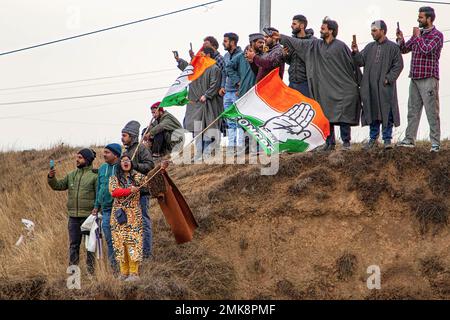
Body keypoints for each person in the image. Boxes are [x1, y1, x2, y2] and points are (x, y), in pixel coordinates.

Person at [274, 18, 362, 151]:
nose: (320, 31)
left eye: (323, 29)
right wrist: (281, 37)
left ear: (331, 31)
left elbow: (352, 65)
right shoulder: (316, 45)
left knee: (344, 115)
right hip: (325, 89)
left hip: (342, 88)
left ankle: (346, 143)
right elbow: (298, 43)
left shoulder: (341, 46)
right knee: (326, 115)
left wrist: (357, 83)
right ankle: (330, 143)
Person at [110, 154, 170, 281]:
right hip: (119, 214)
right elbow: (114, 192)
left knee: (133, 242)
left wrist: (160, 169)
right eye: (123, 161)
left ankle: (134, 272)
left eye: (128, 160)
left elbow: (150, 180)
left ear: (131, 163)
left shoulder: (138, 176)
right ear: (120, 163)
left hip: (134, 213)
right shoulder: (114, 178)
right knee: (120, 243)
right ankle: (123, 272)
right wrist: (129, 191)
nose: (126, 162)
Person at [396, 7, 444, 153]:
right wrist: (400, 39)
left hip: (429, 78)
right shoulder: (419, 34)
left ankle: (435, 143)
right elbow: (404, 49)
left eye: (421, 17)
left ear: (429, 19)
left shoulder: (437, 35)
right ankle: (409, 139)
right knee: (412, 110)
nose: (418, 19)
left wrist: (417, 37)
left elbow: (426, 50)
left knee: (432, 112)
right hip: (415, 78)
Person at [352, 20, 404, 150]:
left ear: (383, 31)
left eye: (374, 30)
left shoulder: (393, 47)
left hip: (385, 88)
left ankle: (387, 140)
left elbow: (398, 65)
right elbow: (360, 61)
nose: (372, 33)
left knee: (387, 112)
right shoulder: (370, 47)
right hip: (371, 88)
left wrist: (388, 79)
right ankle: (373, 140)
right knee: (372, 111)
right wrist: (355, 52)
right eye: (371, 31)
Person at [48, 149, 98, 275]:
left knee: (90, 247)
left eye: (80, 157)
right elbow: (58, 186)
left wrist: (98, 211)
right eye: (77, 157)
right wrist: (51, 177)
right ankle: (73, 277)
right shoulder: (71, 175)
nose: (77, 159)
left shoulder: (95, 176)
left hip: (89, 218)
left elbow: (99, 196)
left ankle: (91, 275)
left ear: (87, 159)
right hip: (73, 218)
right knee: (73, 246)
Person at [177, 47, 224, 161]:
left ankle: (207, 154)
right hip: (195, 105)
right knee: (197, 130)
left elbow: (215, 84)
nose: (198, 57)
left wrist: (207, 95)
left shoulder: (214, 68)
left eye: (201, 54)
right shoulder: (196, 68)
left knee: (209, 129)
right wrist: (179, 60)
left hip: (209, 105)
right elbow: (187, 69)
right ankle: (199, 154)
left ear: (208, 56)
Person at [122, 121, 155, 259]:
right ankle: (135, 253)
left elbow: (150, 165)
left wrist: (133, 165)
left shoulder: (141, 149)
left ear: (133, 136)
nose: (122, 138)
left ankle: (147, 254)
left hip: (142, 191)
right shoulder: (126, 152)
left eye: (124, 135)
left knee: (143, 222)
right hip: (129, 192)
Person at [92, 143, 122, 272]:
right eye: (104, 152)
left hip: (118, 209)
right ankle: (114, 270)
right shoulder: (102, 168)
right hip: (104, 210)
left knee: (119, 239)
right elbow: (99, 187)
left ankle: (123, 268)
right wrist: (96, 206)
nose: (104, 154)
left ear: (115, 155)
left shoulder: (121, 168)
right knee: (109, 239)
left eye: (107, 152)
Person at [223, 32, 245, 154]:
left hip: (237, 92)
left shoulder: (241, 55)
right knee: (230, 120)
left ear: (232, 42)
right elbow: (223, 72)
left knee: (239, 119)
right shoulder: (226, 56)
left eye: (226, 41)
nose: (223, 43)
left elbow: (243, 72)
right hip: (227, 92)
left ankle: (240, 146)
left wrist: (239, 87)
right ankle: (231, 148)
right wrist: (222, 86)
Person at [283, 14, 316, 97]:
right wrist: (285, 55)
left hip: (306, 84)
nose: (291, 26)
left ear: (302, 25)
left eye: (294, 24)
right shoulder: (291, 41)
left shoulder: (312, 41)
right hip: (292, 82)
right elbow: (290, 61)